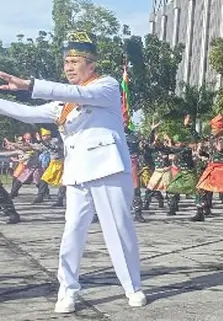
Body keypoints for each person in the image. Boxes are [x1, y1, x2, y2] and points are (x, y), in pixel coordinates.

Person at [0, 31, 146, 313]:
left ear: (91, 64)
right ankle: (67, 290)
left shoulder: (106, 86)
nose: (68, 67)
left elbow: (81, 94)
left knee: (118, 231)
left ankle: (133, 286)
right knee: (71, 234)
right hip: (78, 175)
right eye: (66, 62)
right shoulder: (62, 105)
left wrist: (30, 84)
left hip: (107, 170)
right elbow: (27, 113)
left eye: (75, 61)